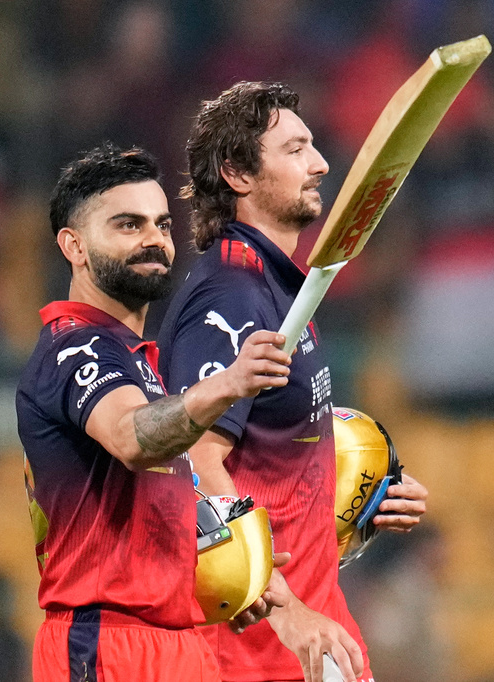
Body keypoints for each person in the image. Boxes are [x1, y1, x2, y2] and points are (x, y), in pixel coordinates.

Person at [157, 82, 429, 682]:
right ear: (237, 173)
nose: (321, 163)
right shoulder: (228, 296)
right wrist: (288, 612)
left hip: (315, 636)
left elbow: (273, 447)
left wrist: (366, 490)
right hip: (252, 655)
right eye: (295, 149)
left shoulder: (281, 289)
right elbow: (194, 470)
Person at [15, 143, 292, 681]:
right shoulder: (76, 349)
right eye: (128, 225)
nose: (154, 240)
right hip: (108, 644)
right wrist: (230, 381)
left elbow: (146, 506)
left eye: (162, 225)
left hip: (178, 641)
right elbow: (132, 437)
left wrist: (229, 572)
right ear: (73, 246)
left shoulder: (142, 363)